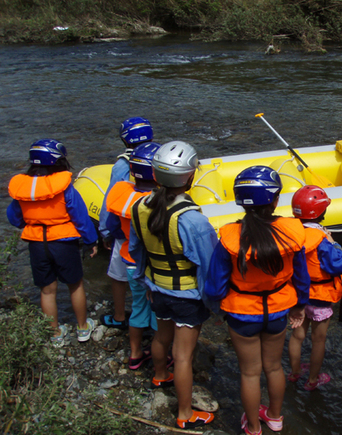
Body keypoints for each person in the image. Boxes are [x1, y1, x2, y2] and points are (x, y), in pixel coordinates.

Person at [205, 166, 310, 435]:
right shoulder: (291, 232)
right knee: (274, 366)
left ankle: (253, 427)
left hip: (241, 315)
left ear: (240, 201)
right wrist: (300, 305)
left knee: (250, 373)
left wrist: (216, 307)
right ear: (275, 200)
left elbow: (215, 284)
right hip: (276, 313)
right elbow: (301, 277)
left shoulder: (230, 236)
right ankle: (275, 417)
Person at [129, 141, 216, 430]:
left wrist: (146, 280)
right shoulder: (192, 219)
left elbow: (135, 248)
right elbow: (209, 263)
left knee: (162, 336)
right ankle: (184, 413)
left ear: (155, 174)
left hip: (156, 287)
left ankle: (158, 374)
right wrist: (214, 300)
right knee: (183, 356)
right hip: (186, 295)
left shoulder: (139, 206)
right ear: (189, 178)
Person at [7, 139, 98, 346]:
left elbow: (14, 218)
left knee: (47, 290)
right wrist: (90, 240)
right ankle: (83, 328)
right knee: (75, 286)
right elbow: (80, 217)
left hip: (37, 244)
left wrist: (30, 222)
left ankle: (55, 333)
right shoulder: (64, 187)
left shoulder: (24, 189)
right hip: (64, 242)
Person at [105, 142, 160, 369]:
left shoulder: (123, 196)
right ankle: (161, 357)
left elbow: (112, 226)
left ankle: (135, 353)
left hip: (130, 262)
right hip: (156, 266)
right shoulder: (162, 202)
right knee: (159, 312)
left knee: (138, 307)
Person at [287, 185, 342, 391]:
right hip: (320, 297)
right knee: (318, 340)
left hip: (297, 296)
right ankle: (313, 380)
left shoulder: (292, 234)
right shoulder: (323, 240)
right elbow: (337, 265)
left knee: (297, 336)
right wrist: (334, 244)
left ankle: (294, 373)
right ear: (321, 212)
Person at [100, 117, 154, 329]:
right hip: (150, 232)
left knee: (118, 275)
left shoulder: (122, 165)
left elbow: (110, 202)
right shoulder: (156, 156)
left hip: (125, 231)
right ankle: (152, 319)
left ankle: (120, 316)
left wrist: (105, 231)